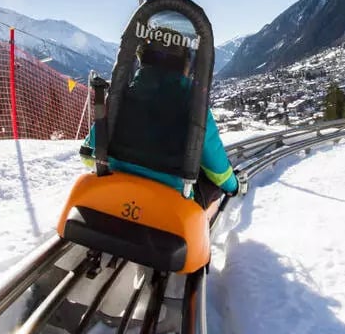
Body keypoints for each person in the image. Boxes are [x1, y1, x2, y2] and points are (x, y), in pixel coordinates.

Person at [80, 29, 238, 208]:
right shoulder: (195, 106)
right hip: (170, 201)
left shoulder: (122, 97)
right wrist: (233, 186)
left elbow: (87, 154)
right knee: (210, 182)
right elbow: (218, 171)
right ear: (188, 63)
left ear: (143, 57)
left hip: (116, 190)